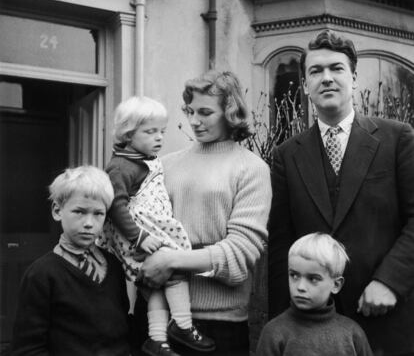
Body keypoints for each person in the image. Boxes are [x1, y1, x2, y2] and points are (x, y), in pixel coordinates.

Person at [268, 29, 414, 355]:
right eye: (316, 71)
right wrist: (281, 323)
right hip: (312, 329)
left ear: (354, 78)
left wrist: (389, 282)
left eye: (336, 68)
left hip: (385, 318)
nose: (327, 78)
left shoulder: (397, 139)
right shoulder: (286, 155)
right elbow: (281, 243)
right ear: (305, 85)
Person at [137, 70, 272, 356]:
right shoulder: (164, 165)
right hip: (158, 315)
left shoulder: (251, 168)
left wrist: (171, 259)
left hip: (219, 323)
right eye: (190, 111)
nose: (194, 121)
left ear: (231, 112)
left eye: (205, 112)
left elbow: (240, 255)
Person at [98, 96, 215, 356]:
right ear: (128, 135)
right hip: (138, 236)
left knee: (156, 286)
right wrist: (139, 236)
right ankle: (183, 324)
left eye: (161, 131)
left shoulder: (142, 159)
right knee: (174, 272)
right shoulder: (121, 166)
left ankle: (157, 339)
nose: (159, 138)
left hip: (149, 232)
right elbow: (116, 205)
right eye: (150, 132)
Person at [11, 166, 131, 356]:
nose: (89, 223)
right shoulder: (41, 274)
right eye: (79, 212)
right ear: (57, 211)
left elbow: (121, 329)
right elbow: (27, 349)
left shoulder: (114, 265)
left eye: (98, 213)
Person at [257, 232, 373, 355]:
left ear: (336, 285)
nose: (301, 287)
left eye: (313, 279)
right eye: (294, 275)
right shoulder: (274, 333)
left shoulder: (352, 334)